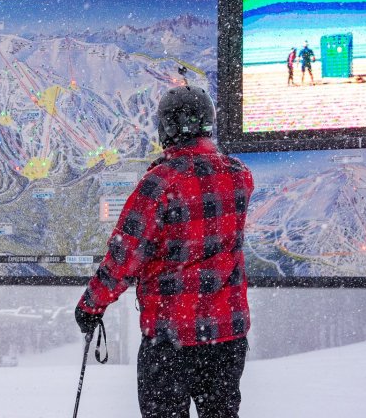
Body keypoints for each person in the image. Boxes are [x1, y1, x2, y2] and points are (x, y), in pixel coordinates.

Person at [75, 85, 254, 418]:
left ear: (166, 128)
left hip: (172, 339)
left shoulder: (160, 183)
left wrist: (91, 305)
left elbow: (124, 256)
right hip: (227, 334)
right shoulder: (239, 176)